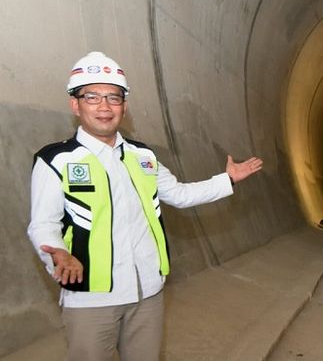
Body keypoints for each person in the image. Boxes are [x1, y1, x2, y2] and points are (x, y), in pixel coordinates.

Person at [26, 51, 264, 361]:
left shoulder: (142, 156)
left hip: (147, 291)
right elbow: (43, 224)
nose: (104, 107)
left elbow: (179, 194)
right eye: (92, 97)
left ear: (124, 106)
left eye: (113, 98)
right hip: (92, 296)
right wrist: (58, 254)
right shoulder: (56, 159)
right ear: (76, 104)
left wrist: (227, 179)